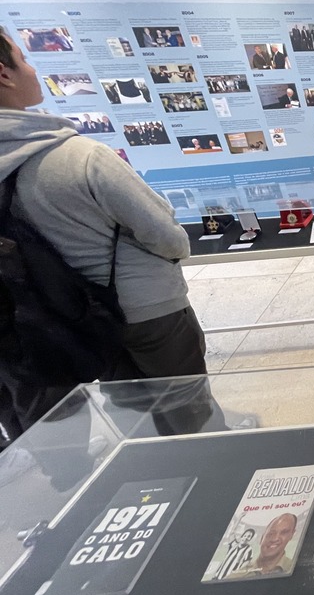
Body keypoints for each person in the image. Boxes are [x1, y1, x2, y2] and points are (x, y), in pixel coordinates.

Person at [0, 26, 209, 440]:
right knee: (186, 405)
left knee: (131, 408)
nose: (33, 68)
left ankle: (153, 470)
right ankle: (206, 466)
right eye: (23, 58)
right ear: (3, 74)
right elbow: (165, 235)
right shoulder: (81, 157)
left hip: (75, 313)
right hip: (148, 308)